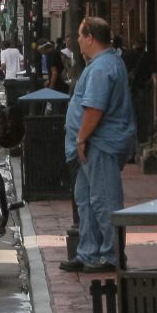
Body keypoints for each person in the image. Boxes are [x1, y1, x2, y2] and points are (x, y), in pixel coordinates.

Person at [59, 17, 137, 274]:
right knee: (86, 200)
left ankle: (110, 255)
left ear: (90, 36)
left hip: (99, 144)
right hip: (89, 146)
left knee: (103, 200)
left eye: (80, 36)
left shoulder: (103, 68)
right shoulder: (101, 65)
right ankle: (88, 252)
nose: (77, 41)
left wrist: (82, 137)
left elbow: (94, 107)